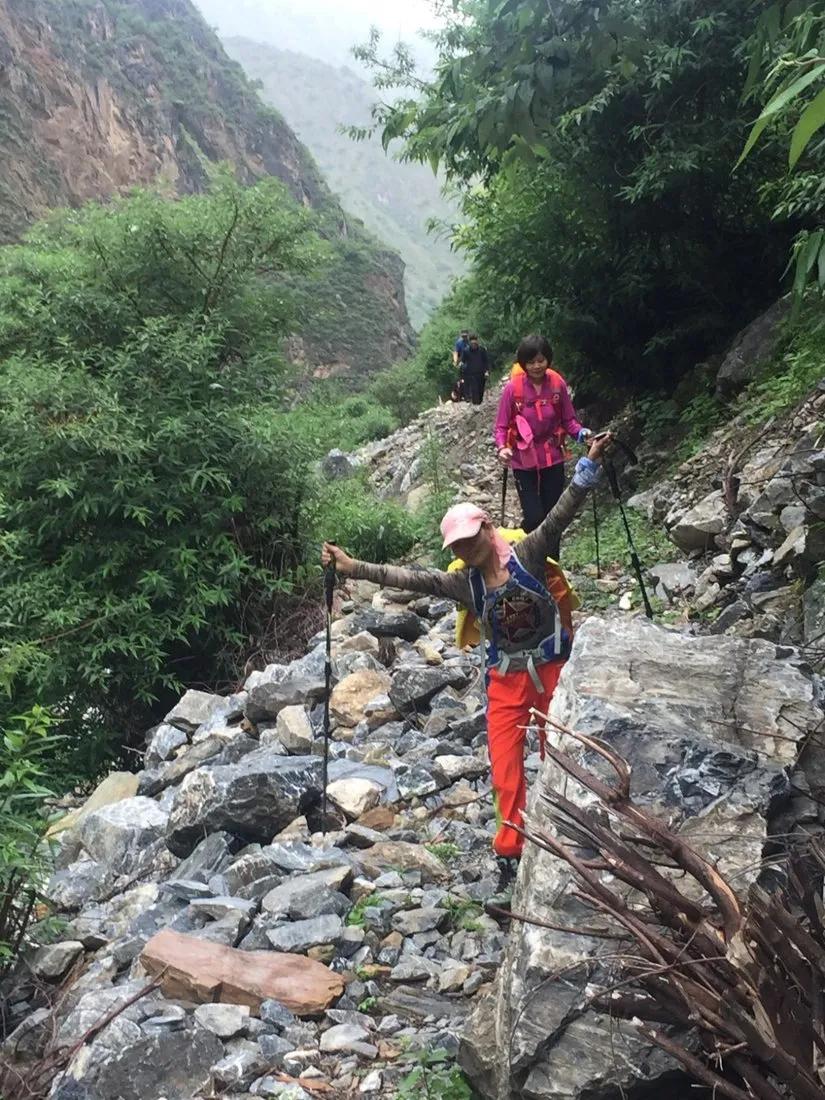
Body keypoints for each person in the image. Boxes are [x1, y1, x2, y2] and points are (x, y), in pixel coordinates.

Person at [322, 432, 613, 909]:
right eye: (456, 544)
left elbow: (563, 511)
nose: (464, 548)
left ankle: (580, 846)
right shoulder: (463, 583)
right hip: (505, 681)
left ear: (487, 529)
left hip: (554, 669)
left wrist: (588, 466)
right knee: (505, 770)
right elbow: (405, 577)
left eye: (467, 538)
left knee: (566, 758)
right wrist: (353, 568)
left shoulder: (530, 554)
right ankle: (511, 856)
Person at [494, 335, 591, 560]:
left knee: (553, 516)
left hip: (552, 458)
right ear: (523, 364)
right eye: (531, 362)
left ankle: (552, 567)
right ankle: (530, 557)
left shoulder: (557, 384)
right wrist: (502, 448)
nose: (537, 366)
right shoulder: (513, 389)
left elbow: (569, 421)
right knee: (534, 515)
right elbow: (500, 426)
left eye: (541, 360)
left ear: (548, 360)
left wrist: (581, 434)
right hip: (523, 460)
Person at [460, 333, 490, 406]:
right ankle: (476, 406)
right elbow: (463, 361)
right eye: (472, 342)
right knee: (474, 391)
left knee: (480, 390)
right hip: (471, 374)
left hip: (481, 374)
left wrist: (487, 371)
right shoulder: (466, 351)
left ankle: (479, 404)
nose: (473, 344)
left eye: (475, 342)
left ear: (477, 342)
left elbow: (486, 361)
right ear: (470, 342)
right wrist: (462, 367)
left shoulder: (482, 350)